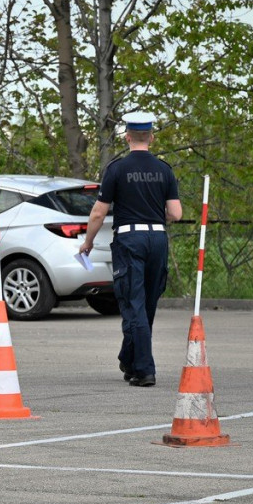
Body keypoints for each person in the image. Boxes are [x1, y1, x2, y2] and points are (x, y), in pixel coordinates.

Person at [79, 111, 183, 387]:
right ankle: (129, 358)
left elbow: (98, 213)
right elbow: (176, 213)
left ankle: (145, 369)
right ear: (151, 137)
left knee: (133, 303)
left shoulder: (117, 169)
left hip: (129, 240)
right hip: (158, 239)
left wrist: (88, 243)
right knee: (146, 303)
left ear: (127, 137)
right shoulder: (164, 169)